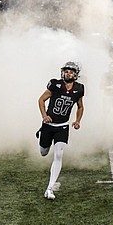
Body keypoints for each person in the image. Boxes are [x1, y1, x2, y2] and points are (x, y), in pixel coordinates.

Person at [38, 60, 84, 199]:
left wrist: (77, 121)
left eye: (71, 71)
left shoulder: (79, 88)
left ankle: (49, 188)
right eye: (66, 71)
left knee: (58, 155)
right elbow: (41, 100)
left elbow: (80, 106)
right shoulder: (55, 84)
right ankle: (43, 141)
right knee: (43, 152)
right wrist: (44, 116)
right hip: (48, 126)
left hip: (62, 127)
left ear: (76, 74)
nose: (68, 73)